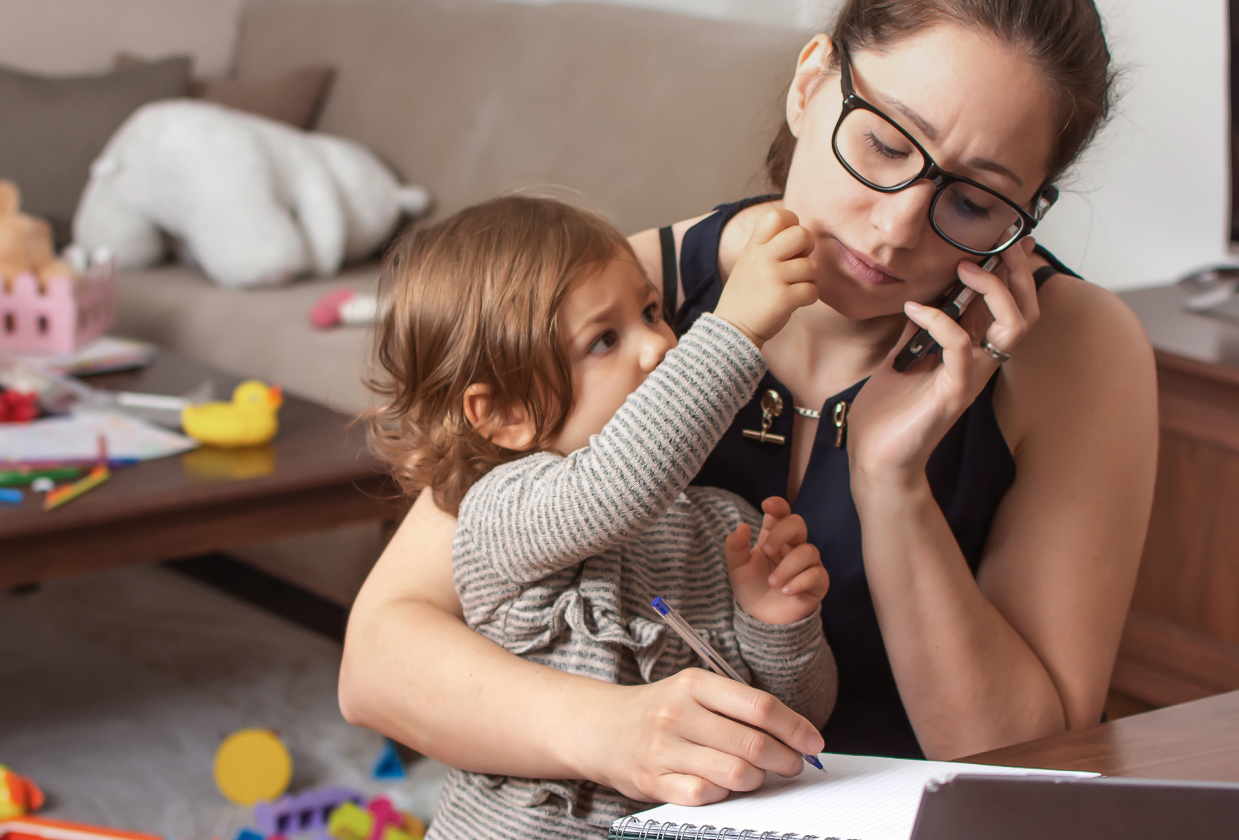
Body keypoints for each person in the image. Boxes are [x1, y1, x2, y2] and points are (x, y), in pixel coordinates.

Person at [342, 0, 1158, 808]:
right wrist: (612, 732)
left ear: (1026, 216)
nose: (896, 227)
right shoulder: (632, 301)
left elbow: (1022, 770)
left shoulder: (1077, 354)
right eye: (882, 143)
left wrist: (890, 484)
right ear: (810, 84)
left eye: (975, 202)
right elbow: (379, 659)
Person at [367, 195, 838, 838]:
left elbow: (796, 728)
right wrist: (735, 329)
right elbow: (613, 489)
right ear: (507, 414)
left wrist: (778, 626)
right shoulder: (498, 512)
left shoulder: (724, 527)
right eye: (604, 340)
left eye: (651, 311)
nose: (658, 346)